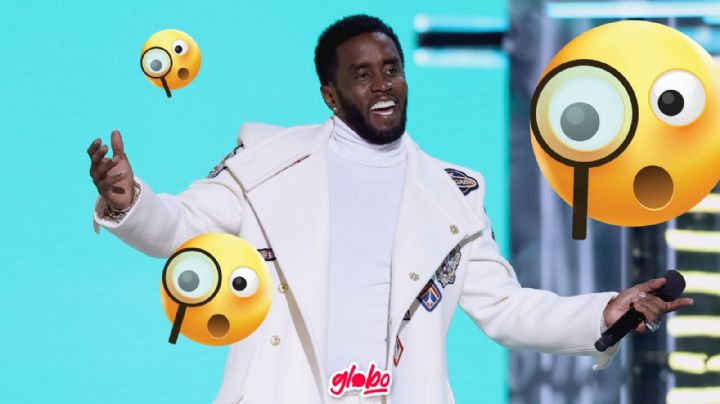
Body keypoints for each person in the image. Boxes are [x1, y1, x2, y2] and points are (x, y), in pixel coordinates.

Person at [87, 14, 693, 404]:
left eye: (392, 69)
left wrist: (601, 314)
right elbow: (182, 230)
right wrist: (129, 201)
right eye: (362, 75)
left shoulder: (454, 193)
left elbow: (504, 309)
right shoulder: (264, 162)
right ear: (330, 95)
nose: (383, 85)